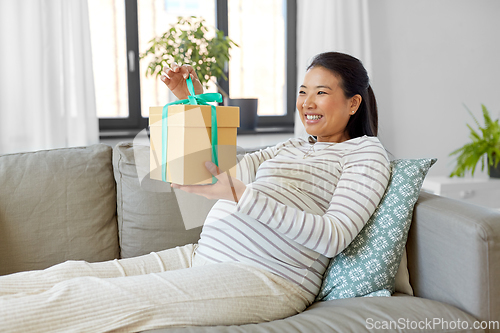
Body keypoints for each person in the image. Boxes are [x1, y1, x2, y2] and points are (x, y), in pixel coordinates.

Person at [0, 52, 390, 332]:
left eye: (321, 93)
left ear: (353, 102)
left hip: (265, 278)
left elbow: (333, 236)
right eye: (303, 92)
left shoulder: (366, 154)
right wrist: (192, 100)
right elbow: (215, 168)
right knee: (71, 274)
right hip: (203, 255)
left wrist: (239, 195)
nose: (307, 103)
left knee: (81, 298)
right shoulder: (293, 146)